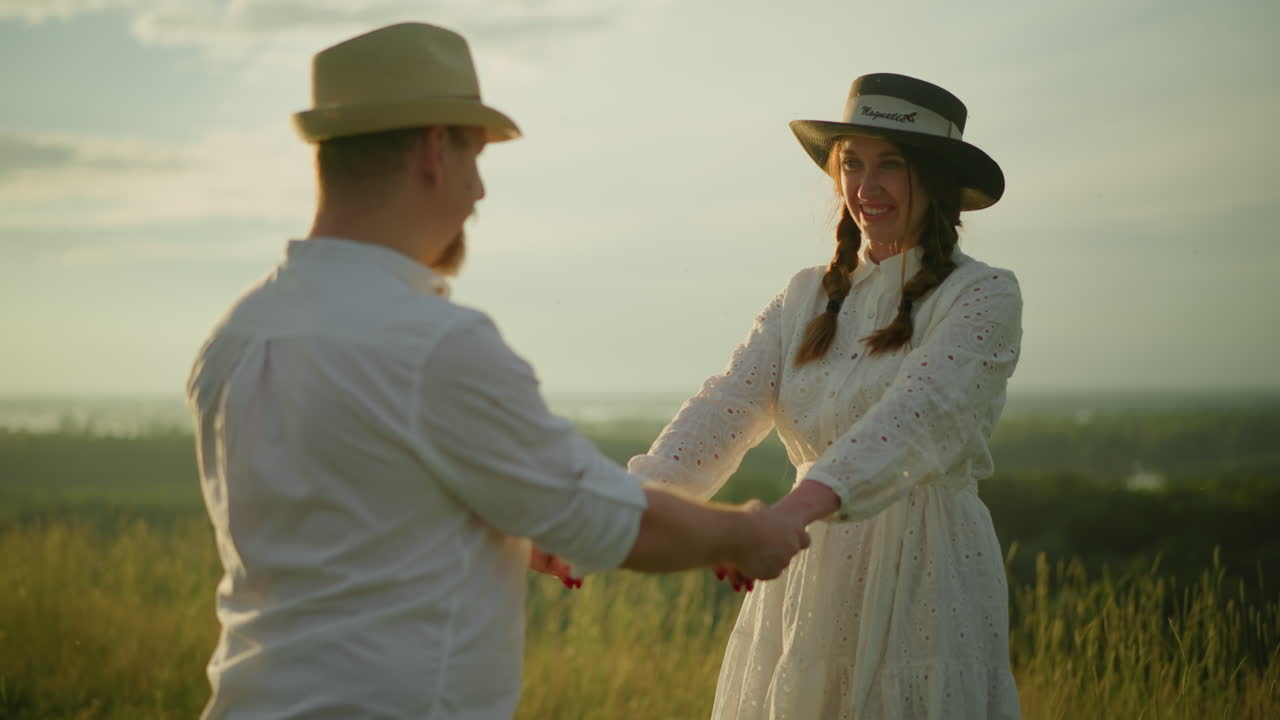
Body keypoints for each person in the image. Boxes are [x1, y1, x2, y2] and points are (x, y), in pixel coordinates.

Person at [185, 22, 809, 720]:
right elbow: (617, 523)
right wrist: (745, 533)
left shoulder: (236, 335)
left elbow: (361, 521)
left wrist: (512, 530)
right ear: (432, 150)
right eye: (476, 157)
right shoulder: (435, 345)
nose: (479, 194)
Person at [628, 73, 1023, 719]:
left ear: (935, 176)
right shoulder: (805, 295)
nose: (866, 187)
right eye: (852, 164)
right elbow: (725, 406)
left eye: (891, 164)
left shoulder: (981, 294)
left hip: (925, 567)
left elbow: (912, 418)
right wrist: (625, 510)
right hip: (807, 568)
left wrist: (788, 515)